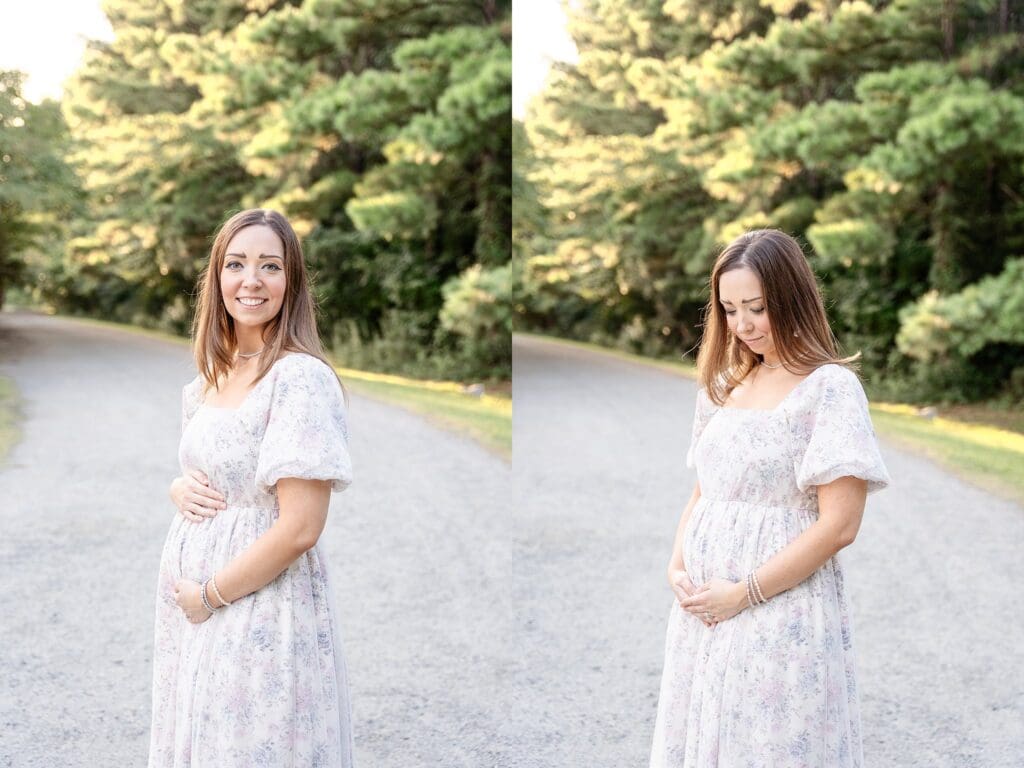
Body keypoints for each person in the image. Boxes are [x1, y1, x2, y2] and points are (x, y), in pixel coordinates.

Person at [649, 229, 891, 767]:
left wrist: (743, 594)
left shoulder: (829, 389)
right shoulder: (725, 384)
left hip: (780, 611)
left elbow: (840, 525)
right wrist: (677, 565)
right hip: (704, 615)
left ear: (791, 297)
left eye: (757, 307)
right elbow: (705, 490)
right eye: (730, 309)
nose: (743, 324)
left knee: (769, 748)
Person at [148, 208, 355, 767]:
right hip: (196, 617)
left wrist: (208, 595)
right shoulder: (210, 378)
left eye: (270, 266)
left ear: (292, 281)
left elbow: (301, 527)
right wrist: (178, 488)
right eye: (236, 264)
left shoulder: (299, 378)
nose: (252, 280)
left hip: (259, 606)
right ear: (217, 276)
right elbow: (219, 469)